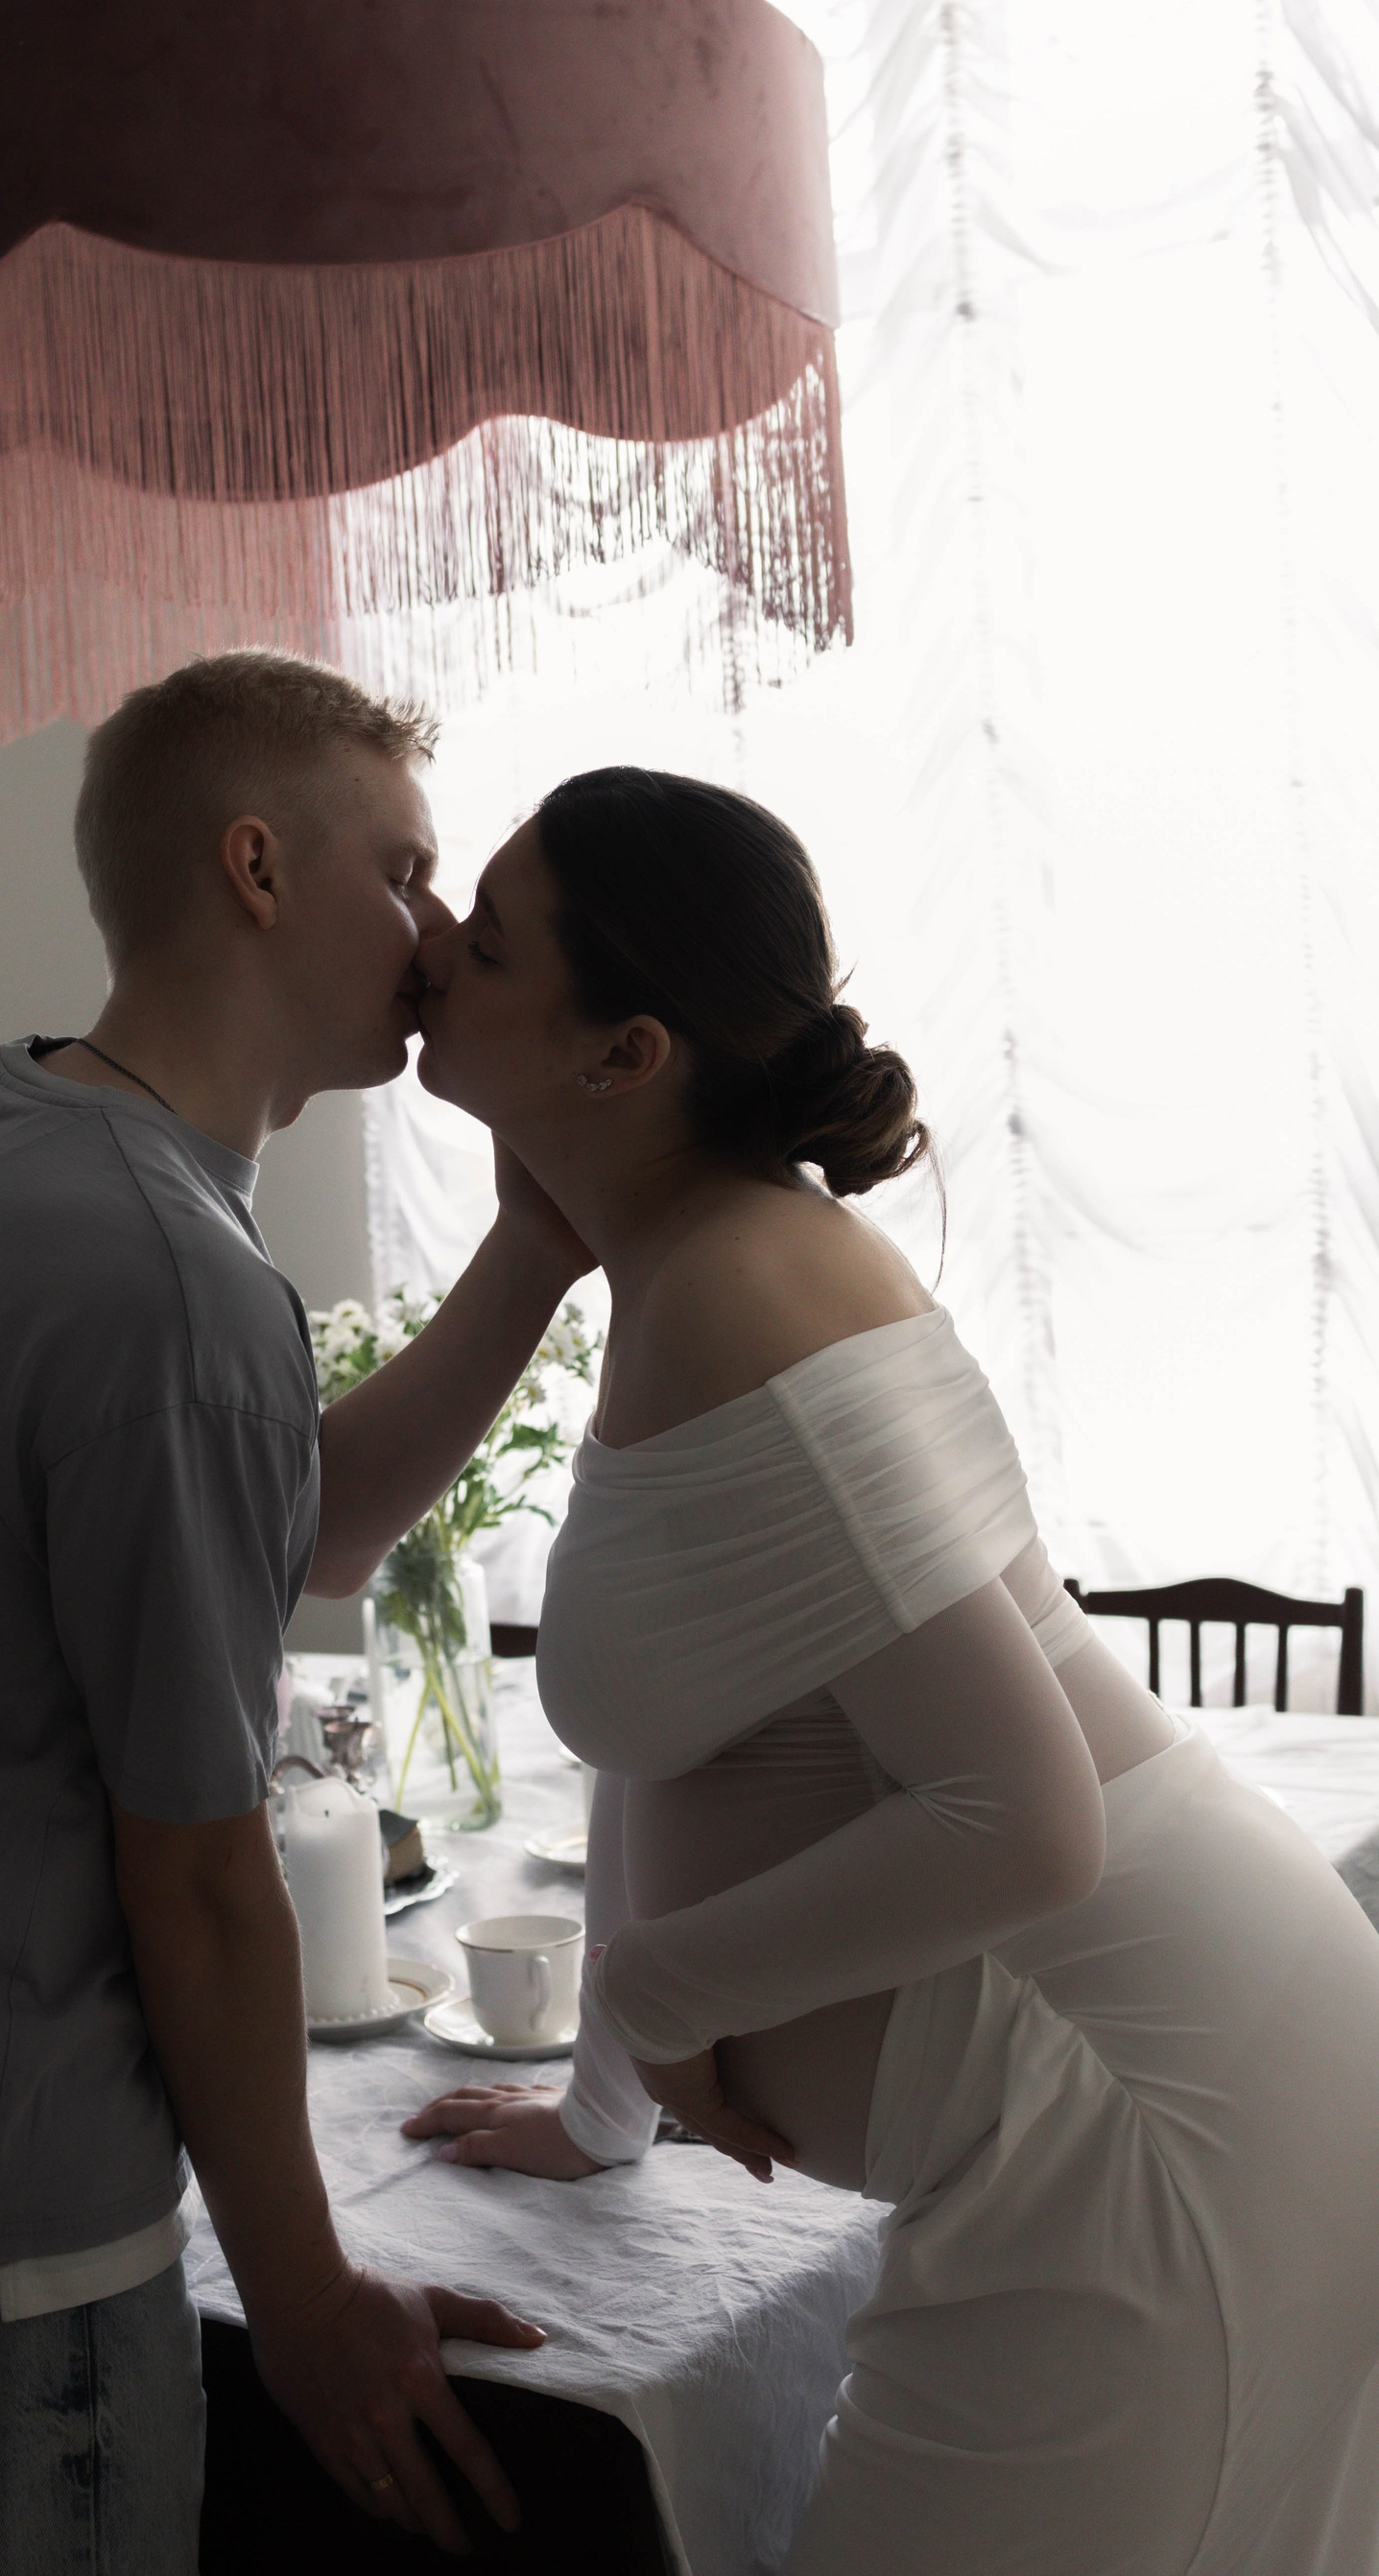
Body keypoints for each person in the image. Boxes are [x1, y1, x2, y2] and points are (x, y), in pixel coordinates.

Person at [0, 652, 596, 2575]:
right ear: (257, 866)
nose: (433, 933)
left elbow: (297, 1530)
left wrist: (532, 1252)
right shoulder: (170, 1281)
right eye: (404, 870)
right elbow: (205, 1882)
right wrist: (305, 2300)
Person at [401, 765, 1379, 2574]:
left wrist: (660, 1999)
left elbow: (1027, 1819)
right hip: (1142, 2091)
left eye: (490, 938)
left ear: (626, 1053)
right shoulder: (694, 1265)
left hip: (1141, 2122)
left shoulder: (742, 1293)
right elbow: (676, 1738)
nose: (433, 953)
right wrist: (605, 2109)